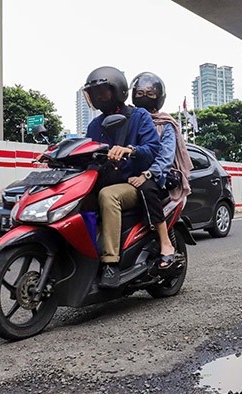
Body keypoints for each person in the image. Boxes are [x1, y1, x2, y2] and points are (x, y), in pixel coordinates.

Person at [82, 66, 161, 288]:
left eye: (103, 92)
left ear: (118, 90)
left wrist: (131, 150)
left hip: (131, 183)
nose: (99, 97)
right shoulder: (94, 125)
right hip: (103, 180)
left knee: (108, 196)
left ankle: (110, 262)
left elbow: (153, 148)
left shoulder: (139, 116)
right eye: (95, 93)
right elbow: (86, 152)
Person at [129, 71, 193, 269]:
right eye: (140, 92)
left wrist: (147, 174)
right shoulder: (128, 119)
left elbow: (165, 157)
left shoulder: (165, 124)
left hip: (159, 175)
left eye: (150, 93)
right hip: (132, 173)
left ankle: (165, 243)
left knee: (147, 188)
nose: (144, 96)